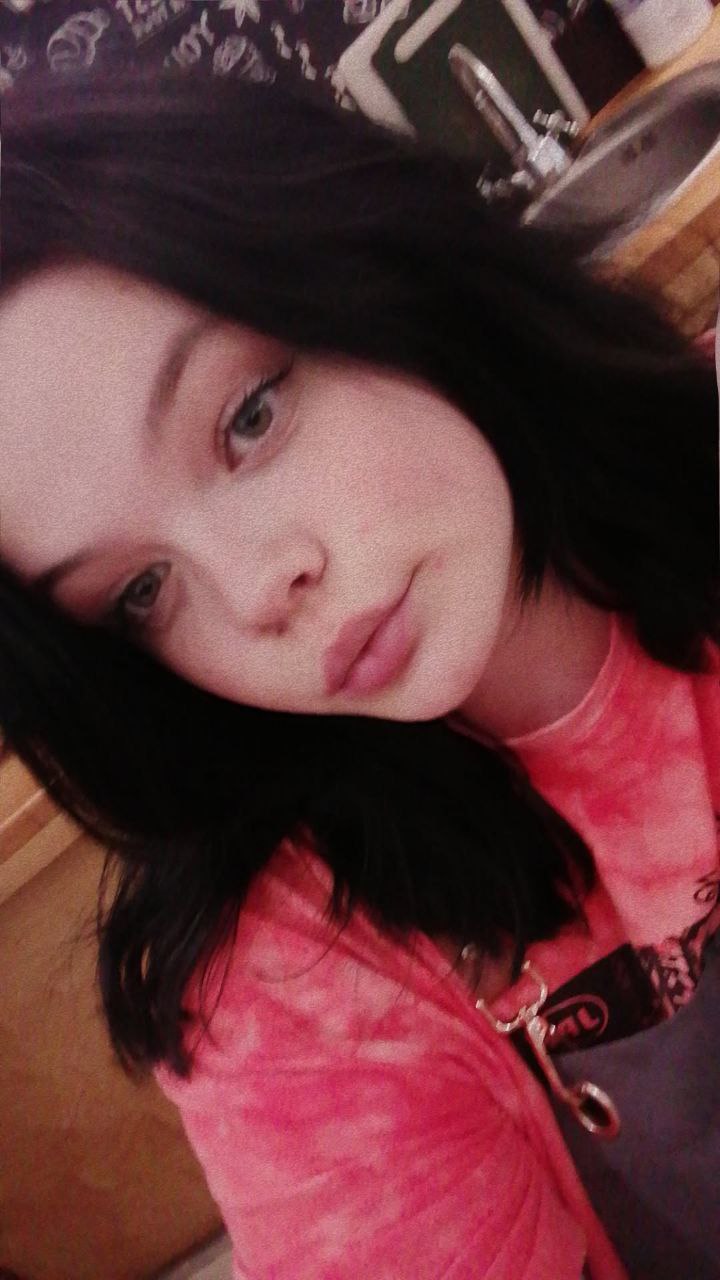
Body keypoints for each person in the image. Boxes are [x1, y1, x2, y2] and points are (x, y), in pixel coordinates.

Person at [0, 65, 718, 1280]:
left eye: (248, 417)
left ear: (367, 259)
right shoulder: (292, 984)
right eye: (142, 591)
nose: (253, 590)